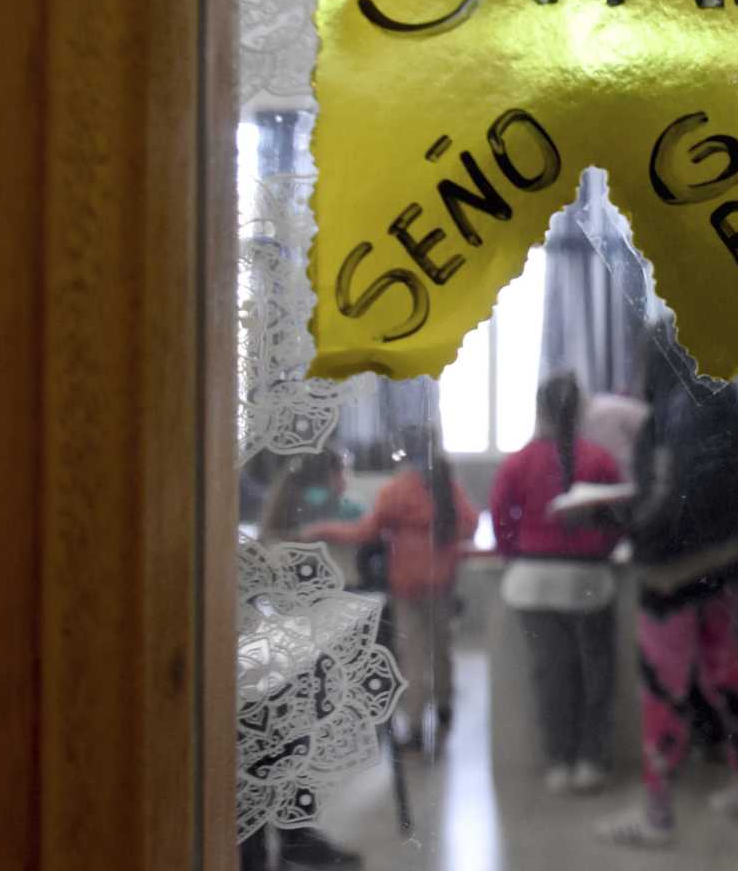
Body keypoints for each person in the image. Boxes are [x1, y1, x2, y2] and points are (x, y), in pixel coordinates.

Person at [596, 331, 738, 848]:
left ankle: (657, 814)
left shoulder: (672, 410)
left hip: (670, 573)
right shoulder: (729, 403)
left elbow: (668, 500)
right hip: (725, 561)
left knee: (661, 690)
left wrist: (623, 522)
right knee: (725, 675)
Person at [306, 422, 477, 758]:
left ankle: (414, 729)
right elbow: (469, 523)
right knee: (441, 651)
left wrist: (321, 529)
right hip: (441, 582)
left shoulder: (397, 490)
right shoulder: (448, 486)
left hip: (407, 586)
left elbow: (365, 532)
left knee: (412, 656)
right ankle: (443, 714)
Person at [489, 372, 625, 794]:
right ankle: (590, 762)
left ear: (539, 409)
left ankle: (558, 763)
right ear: (581, 409)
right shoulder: (599, 459)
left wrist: (518, 552)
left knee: (552, 676)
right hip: (589, 581)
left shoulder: (517, 462)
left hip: (532, 582)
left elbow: (500, 521)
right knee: (594, 676)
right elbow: (616, 520)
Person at [248, 449, 364, 871]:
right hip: (295, 648)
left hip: (283, 649)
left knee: (287, 746)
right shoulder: (323, 508)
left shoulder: (285, 506)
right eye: (343, 470)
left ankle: (288, 839)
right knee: (287, 747)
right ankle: (286, 841)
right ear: (330, 474)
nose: (346, 479)